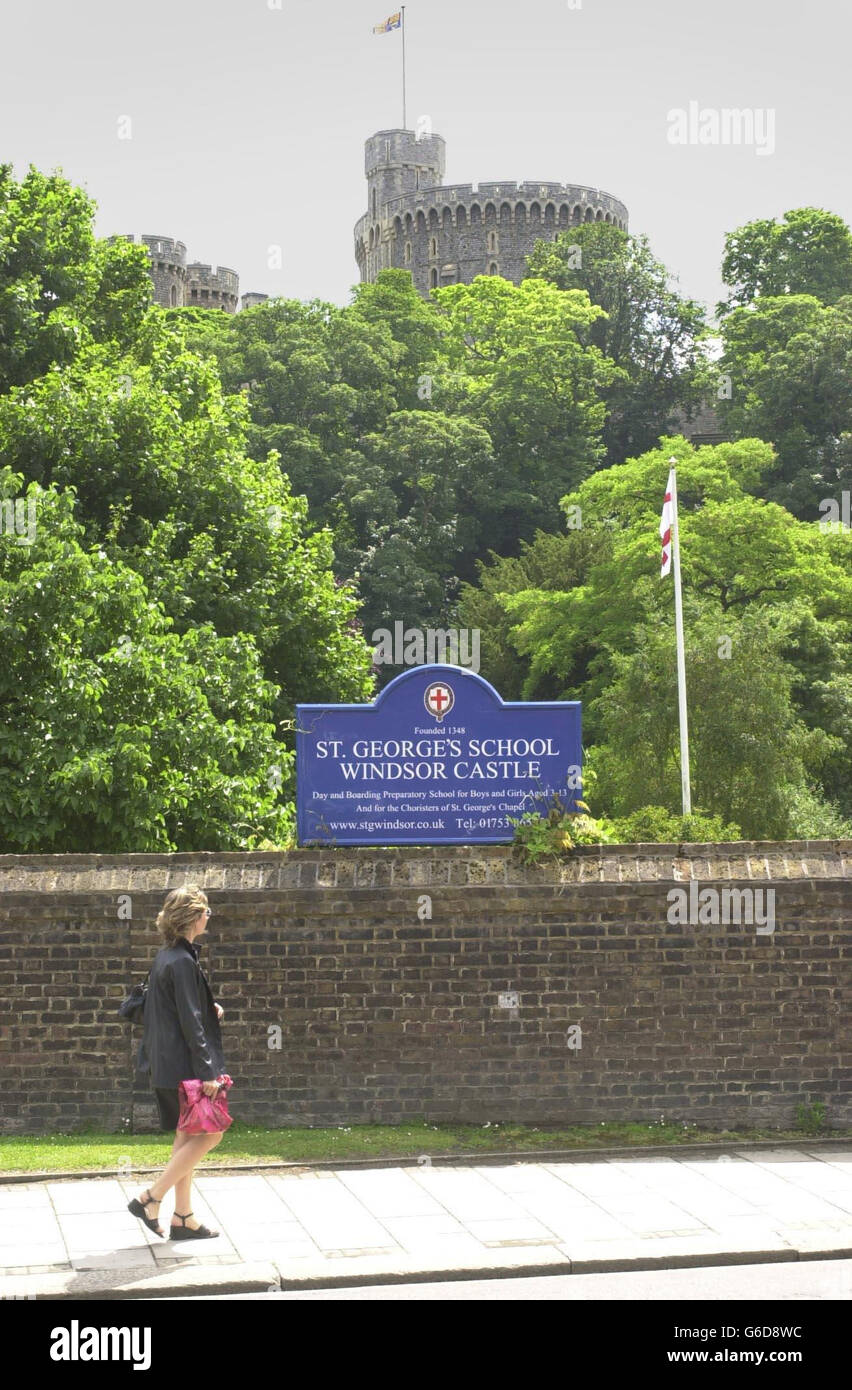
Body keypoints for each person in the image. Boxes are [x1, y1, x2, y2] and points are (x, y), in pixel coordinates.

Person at [128, 885, 227, 1240]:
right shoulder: (183, 962)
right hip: (185, 1068)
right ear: (193, 918)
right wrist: (209, 1073)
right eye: (206, 912)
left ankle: (183, 1217)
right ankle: (150, 1198)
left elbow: (174, 1010)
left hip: (166, 1065)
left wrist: (208, 1010)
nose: (208, 917)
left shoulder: (166, 957)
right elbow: (189, 1022)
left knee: (187, 1138)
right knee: (212, 1133)